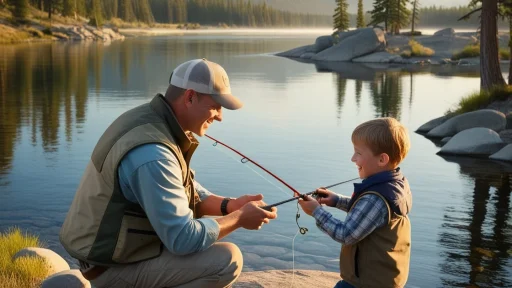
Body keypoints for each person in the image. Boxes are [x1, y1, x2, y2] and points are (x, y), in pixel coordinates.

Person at [59, 58, 278, 288]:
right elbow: (183, 239)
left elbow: (182, 190)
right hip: (110, 269)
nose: (220, 116)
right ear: (190, 97)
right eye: (216, 106)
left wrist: (230, 206)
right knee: (227, 260)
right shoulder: (153, 153)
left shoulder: (151, 121)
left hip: (109, 257)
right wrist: (240, 218)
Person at [298, 117, 412, 288]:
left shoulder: (376, 198)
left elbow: (346, 234)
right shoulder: (396, 184)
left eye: (358, 153)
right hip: (382, 279)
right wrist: (336, 201)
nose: (353, 158)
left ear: (382, 159)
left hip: (366, 283)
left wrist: (316, 211)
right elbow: (369, 215)